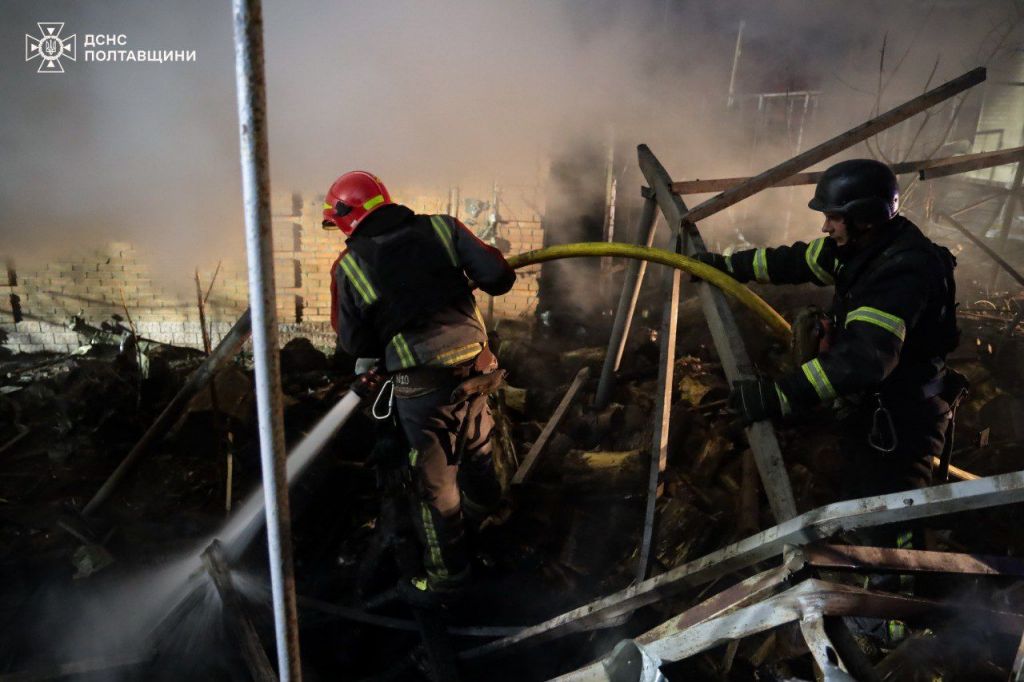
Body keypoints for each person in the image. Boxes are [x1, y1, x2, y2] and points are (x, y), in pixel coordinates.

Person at [695, 159, 961, 517]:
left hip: (903, 420)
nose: (825, 226)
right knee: (857, 497)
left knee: (890, 517)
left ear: (863, 216)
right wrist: (728, 266)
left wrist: (779, 395)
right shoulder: (862, 247)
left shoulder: (902, 270)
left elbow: (864, 360)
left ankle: (895, 554)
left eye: (833, 217)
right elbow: (795, 261)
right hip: (873, 407)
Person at [325, 170, 516, 591]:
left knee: (435, 486)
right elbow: (500, 278)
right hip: (479, 365)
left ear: (344, 217)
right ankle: (491, 523)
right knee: (478, 446)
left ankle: (448, 581)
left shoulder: (349, 266)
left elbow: (355, 343)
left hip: (424, 384)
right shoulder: (443, 227)